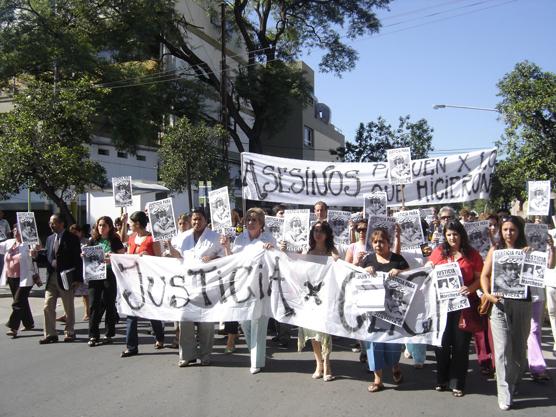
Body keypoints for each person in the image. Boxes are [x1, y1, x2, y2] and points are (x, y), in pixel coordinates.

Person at [480, 215, 531, 411]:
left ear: (519, 232)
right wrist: (487, 294)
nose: (508, 233)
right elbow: (485, 275)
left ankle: (513, 380)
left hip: (522, 305)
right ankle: (504, 392)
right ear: (500, 231)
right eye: (505, 230)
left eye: (513, 230)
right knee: (501, 351)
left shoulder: (527, 251)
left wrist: (534, 255)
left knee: (518, 350)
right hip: (499, 305)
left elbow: (546, 268)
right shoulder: (495, 251)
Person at [428, 220, 483, 397]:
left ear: (461, 235)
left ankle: (458, 382)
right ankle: (442, 379)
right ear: (445, 235)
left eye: (455, 234)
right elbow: (428, 271)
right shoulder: (438, 252)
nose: (452, 237)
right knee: (442, 344)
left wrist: (470, 288)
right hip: (442, 307)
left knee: (460, 346)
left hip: (464, 307)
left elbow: (480, 278)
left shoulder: (472, 254)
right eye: (449, 234)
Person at [220, 207, 275, 374]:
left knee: (258, 322)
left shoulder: (268, 238)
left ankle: (256, 362)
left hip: (261, 287)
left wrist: (272, 249)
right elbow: (231, 260)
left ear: (261, 223)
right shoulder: (240, 239)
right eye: (248, 220)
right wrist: (226, 247)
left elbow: (277, 259)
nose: (250, 223)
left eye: (254, 220)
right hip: (242, 285)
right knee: (244, 320)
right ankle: (254, 352)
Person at [167, 209, 224, 367]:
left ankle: (205, 354)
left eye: (199, 219)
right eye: (194, 220)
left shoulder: (215, 237)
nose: (196, 222)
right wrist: (170, 248)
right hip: (186, 285)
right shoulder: (183, 237)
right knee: (185, 320)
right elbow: (177, 255)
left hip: (207, 286)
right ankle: (186, 355)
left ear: (206, 221)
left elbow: (226, 257)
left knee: (206, 322)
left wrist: (213, 257)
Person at [356, 228, 409, 392]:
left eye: (382, 241)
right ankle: (378, 379)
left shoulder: (398, 259)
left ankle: (395, 365)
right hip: (372, 311)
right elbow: (356, 276)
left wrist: (400, 272)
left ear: (388, 243)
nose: (378, 245)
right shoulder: (368, 259)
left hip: (393, 309)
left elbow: (412, 276)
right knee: (373, 343)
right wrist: (363, 269)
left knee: (392, 342)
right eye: (375, 242)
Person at [298, 220, 339, 382]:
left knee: (324, 332)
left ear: (327, 234)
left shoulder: (332, 251)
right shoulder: (307, 251)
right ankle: (318, 364)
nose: (318, 233)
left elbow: (339, 267)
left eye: (321, 230)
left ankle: (327, 363)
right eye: (315, 230)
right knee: (312, 333)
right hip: (309, 299)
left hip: (326, 298)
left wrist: (336, 259)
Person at [121, 211, 165, 357]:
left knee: (152, 311)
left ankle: (159, 336)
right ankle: (131, 346)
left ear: (138, 224)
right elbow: (127, 255)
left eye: (131, 223)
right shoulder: (133, 238)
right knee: (131, 312)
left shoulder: (152, 239)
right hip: (134, 281)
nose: (130, 226)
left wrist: (148, 257)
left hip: (149, 281)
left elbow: (159, 260)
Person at [38, 214, 83, 344]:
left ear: (62, 223)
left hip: (66, 278)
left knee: (68, 306)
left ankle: (69, 332)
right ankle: (50, 334)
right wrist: (36, 255)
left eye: (54, 222)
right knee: (48, 305)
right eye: (50, 222)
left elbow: (77, 259)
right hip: (51, 277)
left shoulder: (72, 238)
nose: (51, 225)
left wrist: (78, 278)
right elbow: (47, 257)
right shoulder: (50, 238)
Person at [86, 216, 125, 347]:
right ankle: (93, 335)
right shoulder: (93, 240)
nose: (101, 228)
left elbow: (121, 255)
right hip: (95, 274)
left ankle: (109, 333)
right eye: (99, 225)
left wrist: (111, 257)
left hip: (109, 274)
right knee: (93, 305)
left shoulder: (114, 240)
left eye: (104, 225)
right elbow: (88, 254)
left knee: (109, 303)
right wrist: (84, 255)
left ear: (109, 227)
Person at [1, 224, 40, 338]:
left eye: (17, 230)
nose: (15, 231)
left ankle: (13, 327)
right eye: (13, 230)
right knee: (22, 301)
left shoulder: (28, 243)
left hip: (26, 278)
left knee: (17, 303)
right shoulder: (9, 242)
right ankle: (29, 323)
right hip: (11, 277)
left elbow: (36, 252)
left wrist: (34, 250)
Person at [526, 233, 554, 381]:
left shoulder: (541, 250)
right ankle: (510, 366)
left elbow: (550, 265)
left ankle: (537, 366)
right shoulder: (516, 249)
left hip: (537, 295)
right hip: (518, 297)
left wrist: (552, 248)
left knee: (535, 329)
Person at [69, 224, 90, 321]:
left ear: (80, 232)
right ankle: (67, 313)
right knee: (70, 293)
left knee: (85, 293)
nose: (74, 234)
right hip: (74, 269)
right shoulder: (70, 241)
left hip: (84, 269)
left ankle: (87, 312)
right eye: (72, 233)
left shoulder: (86, 241)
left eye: (75, 232)